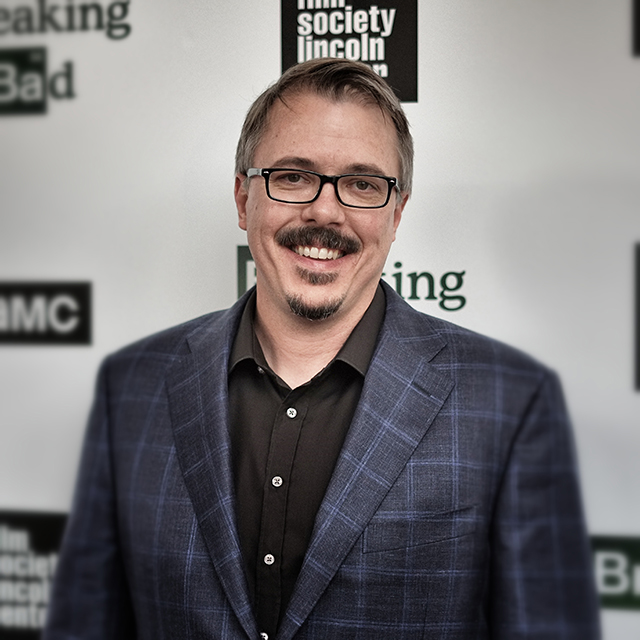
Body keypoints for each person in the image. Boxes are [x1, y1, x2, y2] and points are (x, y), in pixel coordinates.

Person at [44, 58, 600, 640]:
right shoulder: (131, 384)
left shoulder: (511, 400)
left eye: (363, 184)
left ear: (397, 213)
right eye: (292, 176)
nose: (326, 212)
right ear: (243, 198)